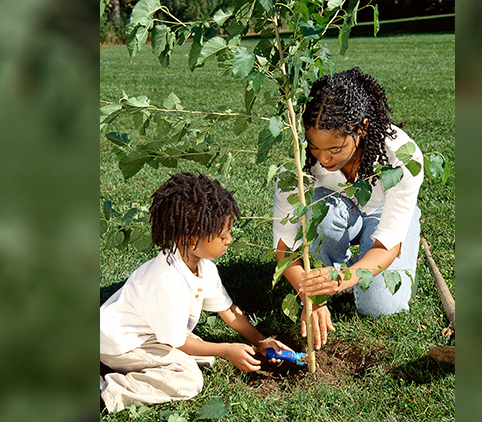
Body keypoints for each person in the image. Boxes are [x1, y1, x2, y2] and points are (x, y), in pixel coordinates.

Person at [101, 172, 293, 413]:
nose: (229, 240)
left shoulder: (203, 267)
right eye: (223, 236)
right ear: (192, 240)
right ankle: (107, 392)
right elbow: (179, 342)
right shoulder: (166, 281)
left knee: (205, 355)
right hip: (121, 344)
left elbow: (228, 311)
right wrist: (225, 349)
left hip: (153, 335)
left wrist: (261, 340)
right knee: (188, 379)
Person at [273, 67, 424, 349]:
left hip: (382, 217)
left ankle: (409, 226)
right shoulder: (297, 165)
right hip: (336, 213)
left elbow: (388, 244)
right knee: (322, 210)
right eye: (315, 147)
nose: (323, 158)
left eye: (335, 149)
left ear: (362, 128)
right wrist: (310, 295)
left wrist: (342, 280)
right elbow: (284, 245)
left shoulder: (402, 156)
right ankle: (325, 278)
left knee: (380, 306)